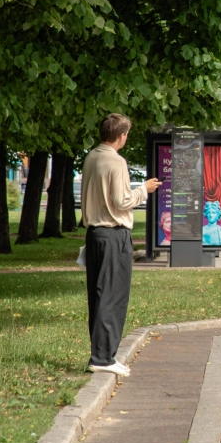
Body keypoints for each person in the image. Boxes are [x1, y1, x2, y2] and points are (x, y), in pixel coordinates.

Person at [80, 113, 161, 377]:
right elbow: (122, 200)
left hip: (94, 234)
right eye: (127, 134)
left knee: (98, 295)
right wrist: (143, 189)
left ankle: (101, 353)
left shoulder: (91, 157)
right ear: (121, 135)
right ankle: (103, 358)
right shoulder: (117, 161)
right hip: (114, 234)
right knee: (113, 296)